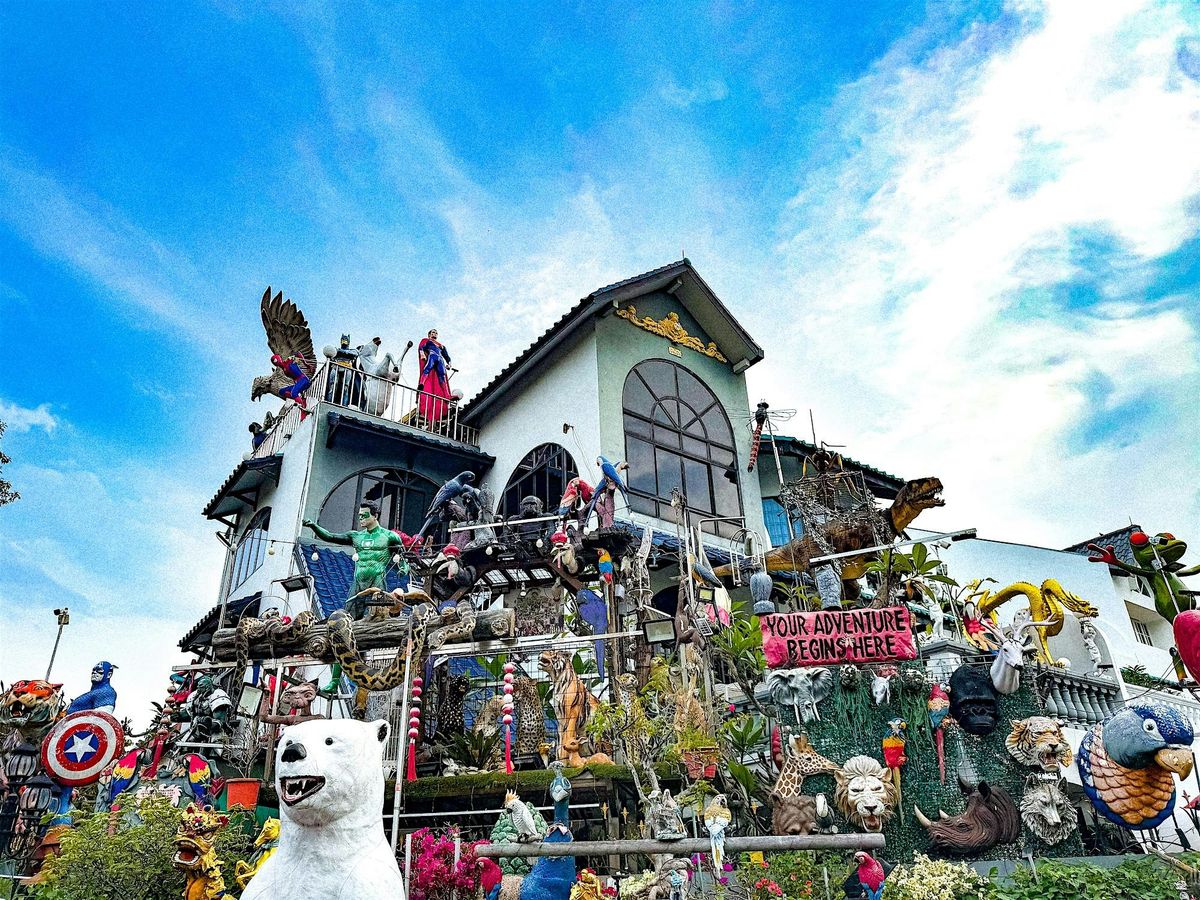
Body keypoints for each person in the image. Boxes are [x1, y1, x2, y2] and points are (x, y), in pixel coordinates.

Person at [304, 501, 415, 694]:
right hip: (357, 586)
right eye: (360, 515)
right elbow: (330, 536)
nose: (361, 518)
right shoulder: (356, 536)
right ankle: (335, 681)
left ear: (375, 515)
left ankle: (365, 681)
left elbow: (402, 558)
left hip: (378, 584)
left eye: (364, 515)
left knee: (376, 627)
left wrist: (403, 568)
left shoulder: (389, 536)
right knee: (340, 630)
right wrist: (314, 526)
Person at [417, 329, 454, 421]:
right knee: (428, 368)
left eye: (436, 333)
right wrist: (422, 354)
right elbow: (421, 347)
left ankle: (447, 395)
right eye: (433, 332)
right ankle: (422, 383)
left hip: (440, 359)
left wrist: (449, 364)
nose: (435, 334)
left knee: (442, 375)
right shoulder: (427, 340)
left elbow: (447, 356)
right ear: (429, 334)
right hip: (432, 355)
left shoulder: (441, 345)